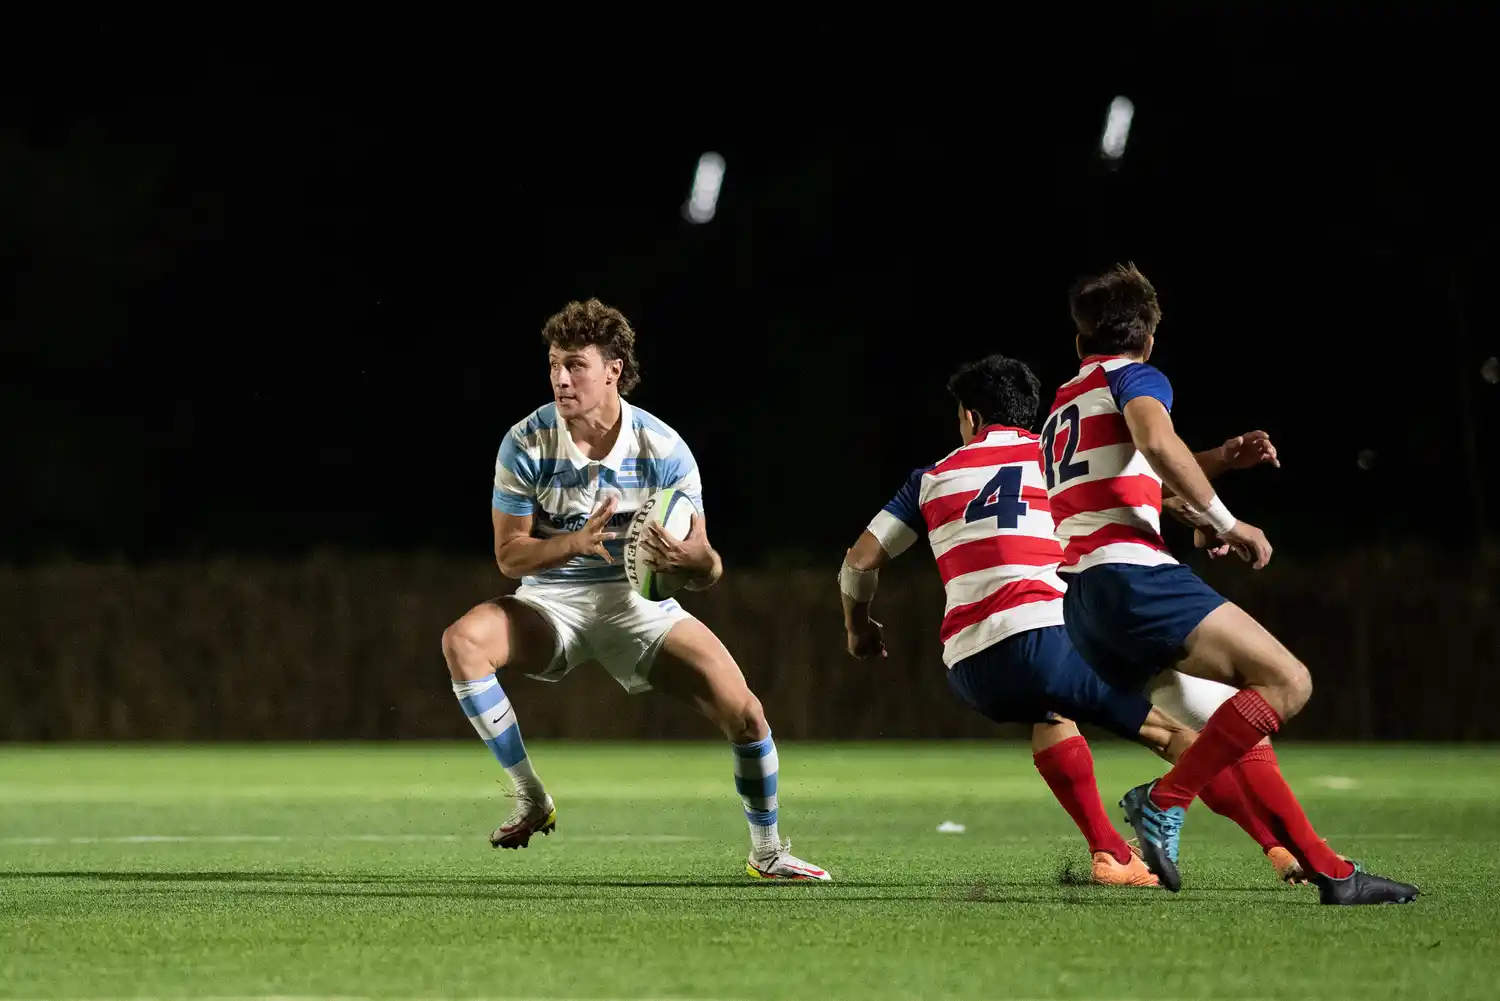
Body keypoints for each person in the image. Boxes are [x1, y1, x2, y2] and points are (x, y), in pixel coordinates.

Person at [838, 353, 1305, 887]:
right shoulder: (1052, 461)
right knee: (1174, 734)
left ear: (969, 417)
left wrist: (859, 629)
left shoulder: (928, 481)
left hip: (971, 667)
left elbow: (857, 564)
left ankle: (1110, 852)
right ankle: (1279, 849)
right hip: (1047, 636)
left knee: (1051, 715)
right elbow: (1154, 481)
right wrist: (1220, 461)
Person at [1042, 262, 1417, 904]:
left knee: (1239, 731)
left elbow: (1136, 482)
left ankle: (1330, 871)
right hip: (1132, 579)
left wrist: (1216, 462)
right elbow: (1157, 443)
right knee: (1287, 681)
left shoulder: (1063, 404)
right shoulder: (1138, 374)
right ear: (1150, 335)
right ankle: (1166, 800)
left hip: (1085, 608)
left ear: (1080, 342)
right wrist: (1226, 519)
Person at [440, 298, 829, 881]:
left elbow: (706, 568)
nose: (561, 379)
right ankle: (530, 796)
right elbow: (507, 554)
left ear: (613, 369)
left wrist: (701, 562)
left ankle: (768, 851)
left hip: (638, 606)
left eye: (575, 365)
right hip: (552, 603)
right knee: (462, 642)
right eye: (553, 365)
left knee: (747, 714)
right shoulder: (525, 442)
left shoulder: (664, 450)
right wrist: (573, 544)